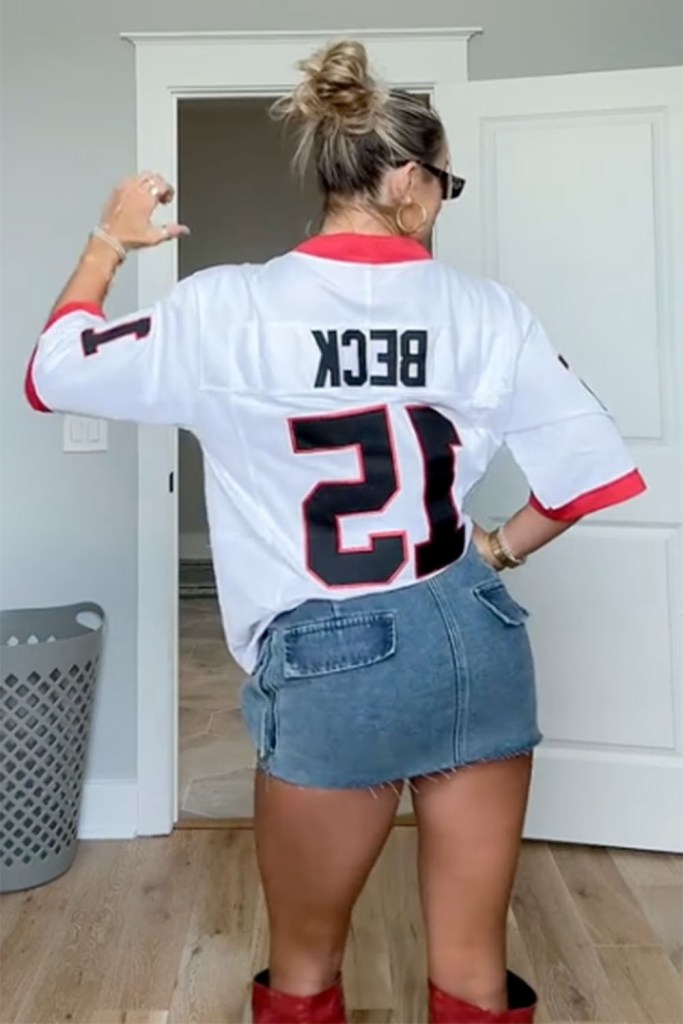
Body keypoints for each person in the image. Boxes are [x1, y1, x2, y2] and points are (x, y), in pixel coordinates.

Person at [26, 39, 645, 1024]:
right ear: (402, 178)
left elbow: (48, 373)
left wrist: (108, 241)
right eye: (443, 183)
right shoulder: (485, 312)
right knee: (474, 969)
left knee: (306, 969)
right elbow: (590, 476)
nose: (444, 203)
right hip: (472, 629)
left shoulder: (224, 308)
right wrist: (491, 549)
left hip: (332, 650)